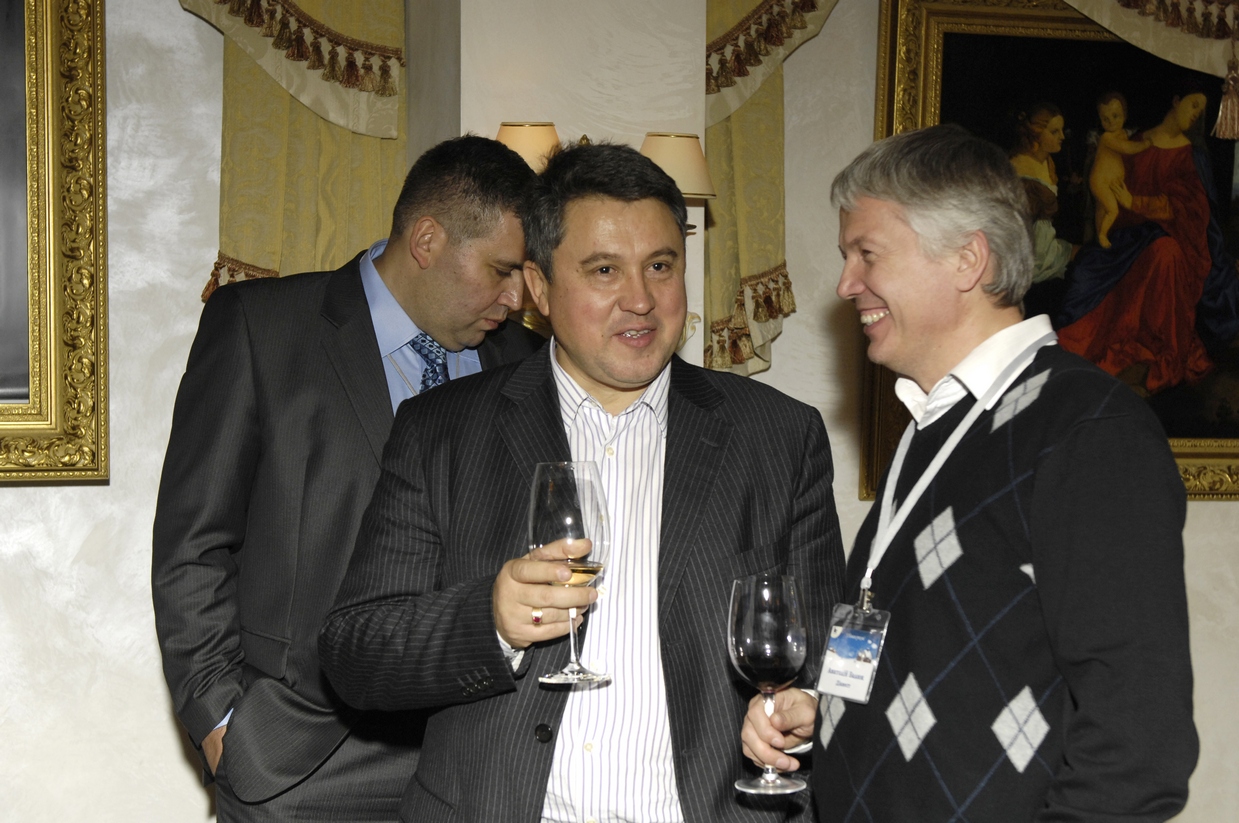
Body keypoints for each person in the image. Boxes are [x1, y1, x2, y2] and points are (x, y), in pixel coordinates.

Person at [318, 142, 846, 822]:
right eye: (604, 270)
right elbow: (356, 653)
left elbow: (824, 655)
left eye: (661, 266)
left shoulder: (778, 436)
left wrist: (805, 710)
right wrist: (489, 621)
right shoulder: (441, 431)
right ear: (538, 289)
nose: (641, 299)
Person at [741, 124, 1197, 822]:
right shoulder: (929, 427)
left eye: (867, 254)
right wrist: (826, 711)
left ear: (966, 259)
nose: (846, 284)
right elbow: (935, 658)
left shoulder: (1085, 428)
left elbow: (1137, 744)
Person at [152, 135, 544, 821]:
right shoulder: (261, 326)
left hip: (478, 753)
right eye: (501, 270)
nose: (515, 298)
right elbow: (194, 542)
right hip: (299, 758)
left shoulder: (528, 362)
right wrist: (221, 720)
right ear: (428, 239)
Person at [1056, 86, 1239, 395]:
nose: (1196, 114)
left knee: (1166, 253)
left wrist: (1136, 202)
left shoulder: (1191, 156)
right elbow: (1109, 182)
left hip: (1174, 242)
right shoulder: (1137, 141)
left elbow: (1192, 210)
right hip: (1128, 239)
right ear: (1176, 100)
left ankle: (1156, 349)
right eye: (1193, 104)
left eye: (1201, 110)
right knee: (1091, 273)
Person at [1009, 102, 1074, 285]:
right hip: (1030, 252)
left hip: (1048, 244)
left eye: (1062, 130)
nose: (1062, 136)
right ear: (1036, 133)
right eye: (1054, 132)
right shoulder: (1019, 166)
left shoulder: (1048, 163)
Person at [1088, 92, 1149, 249]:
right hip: (1100, 182)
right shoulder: (1107, 138)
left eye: (1116, 116)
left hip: (1108, 182)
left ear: (1125, 115)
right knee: (1112, 210)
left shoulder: (1122, 134)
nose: (1111, 123)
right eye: (1105, 119)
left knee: (1102, 209)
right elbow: (1127, 148)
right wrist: (1145, 144)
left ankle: (1099, 236)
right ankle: (1102, 236)